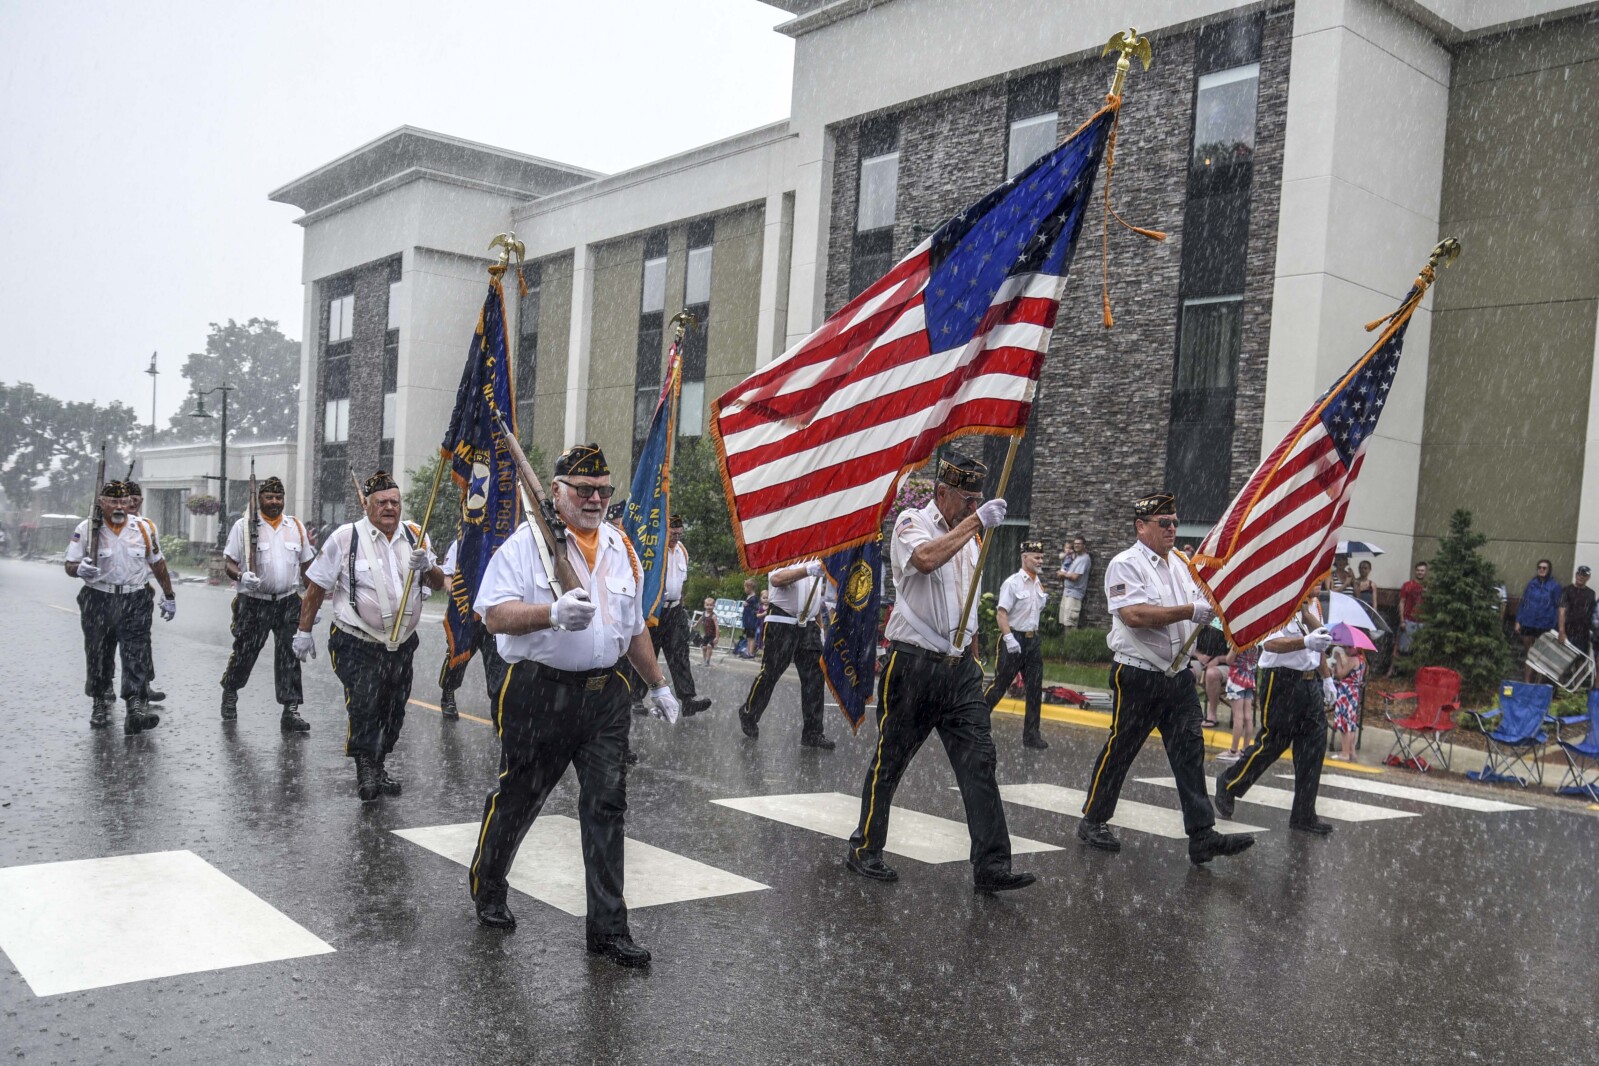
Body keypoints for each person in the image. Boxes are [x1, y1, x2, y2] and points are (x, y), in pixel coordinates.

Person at [466, 444, 679, 968]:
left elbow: (633, 628)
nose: (595, 499)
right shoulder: (526, 545)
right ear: (557, 492)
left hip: (606, 698)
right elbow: (494, 615)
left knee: (607, 806)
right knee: (520, 798)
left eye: (603, 490)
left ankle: (608, 929)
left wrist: (658, 684)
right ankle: (489, 882)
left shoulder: (620, 546)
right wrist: (551, 614)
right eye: (583, 490)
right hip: (541, 692)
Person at [845, 452, 1034, 893]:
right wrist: (977, 522)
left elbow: (966, 606)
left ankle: (991, 866)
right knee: (890, 761)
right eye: (967, 500)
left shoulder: (971, 539)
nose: (974, 507)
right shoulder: (913, 522)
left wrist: (975, 656)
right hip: (913, 666)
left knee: (980, 762)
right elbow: (926, 559)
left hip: (959, 672)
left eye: (978, 500)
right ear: (943, 492)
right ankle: (865, 848)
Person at [1077, 493, 1254, 864]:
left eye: (1175, 522)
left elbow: (1205, 603)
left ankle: (1202, 835)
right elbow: (1134, 615)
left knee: (1190, 751)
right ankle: (1093, 819)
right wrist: (1189, 610)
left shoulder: (1183, 563)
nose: (1172, 528)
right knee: (1121, 749)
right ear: (1141, 526)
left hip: (1176, 676)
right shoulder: (1125, 564)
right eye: (1164, 523)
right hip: (1138, 674)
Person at [293, 471, 445, 802]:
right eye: (382, 502)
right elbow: (316, 587)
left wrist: (428, 566)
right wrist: (304, 631)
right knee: (365, 703)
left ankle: (379, 763)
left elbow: (438, 583)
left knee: (394, 709)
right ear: (367, 505)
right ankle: (366, 767)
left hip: (401, 644)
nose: (390, 508)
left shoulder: (416, 535)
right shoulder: (345, 538)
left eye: (395, 502)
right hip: (356, 642)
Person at [63, 480, 177, 733]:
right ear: (101, 503)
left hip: (134, 598)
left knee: (136, 652)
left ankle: (134, 708)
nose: (119, 506)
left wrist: (169, 595)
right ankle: (99, 702)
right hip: (98, 598)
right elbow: (69, 565)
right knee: (99, 653)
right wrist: (79, 569)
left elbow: (157, 562)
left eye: (123, 502)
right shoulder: (87, 528)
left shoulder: (143, 528)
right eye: (113, 501)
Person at [1215, 601, 1335, 835]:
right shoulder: (1281, 598)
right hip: (1282, 680)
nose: (1320, 585)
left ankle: (1304, 814)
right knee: (1273, 743)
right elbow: (1270, 644)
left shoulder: (1314, 606)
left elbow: (1319, 644)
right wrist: (1305, 642)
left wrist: (1327, 678)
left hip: (1309, 682)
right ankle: (1229, 783)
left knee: (1313, 747)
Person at [218, 476, 316, 731]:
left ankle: (290, 709)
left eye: (279, 497)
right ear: (259, 498)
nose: (274, 502)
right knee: (245, 652)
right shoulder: (243, 526)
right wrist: (241, 575)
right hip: (254, 602)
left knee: (290, 655)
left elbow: (307, 567)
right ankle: (231, 690)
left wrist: (311, 602)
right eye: (269, 497)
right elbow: (229, 563)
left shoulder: (295, 526)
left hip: (288, 601)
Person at [739, 556, 837, 749]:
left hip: (809, 625)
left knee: (814, 679)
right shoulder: (785, 550)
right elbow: (776, 579)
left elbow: (813, 599)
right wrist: (807, 570)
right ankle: (749, 713)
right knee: (771, 673)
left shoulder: (818, 556)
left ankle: (813, 733)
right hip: (782, 621)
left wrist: (821, 628)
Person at [643, 516, 712, 716]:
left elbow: (680, 584)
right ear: (665, 530)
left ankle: (688, 699)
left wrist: (682, 609)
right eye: (673, 533)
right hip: (655, 610)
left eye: (679, 534)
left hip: (675, 610)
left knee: (680, 654)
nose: (676, 537)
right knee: (647, 654)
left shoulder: (682, 550)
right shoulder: (654, 548)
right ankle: (635, 698)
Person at [435, 540, 511, 721]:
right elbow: (448, 576)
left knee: (498, 664)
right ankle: (448, 694)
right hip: (466, 616)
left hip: (493, 615)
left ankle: (497, 707)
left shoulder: (505, 538)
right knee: (457, 659)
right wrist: (459, 598)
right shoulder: (464, 539)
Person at [984, 539, 1050, 749]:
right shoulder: (1012, 583)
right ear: (1024, 557)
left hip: (1032, 641)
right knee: (1000, 684)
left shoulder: (1038, 583)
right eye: (1036, 557)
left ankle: (1031, 735)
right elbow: (1001, 613)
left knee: (1034, 689)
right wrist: (1008, 637)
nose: (1040, 561)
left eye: (1041, 557)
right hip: (1013, 638)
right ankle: (976, 723)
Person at [1515, 559, 1561, 682]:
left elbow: (1558, 607)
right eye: (1539, 567)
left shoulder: (1555, 586)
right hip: (1528, 622)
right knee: (1530, 654)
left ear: (1549, 570)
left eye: (1544, 568)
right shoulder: (1531, 584)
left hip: (1545, 625)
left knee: (1541, 656)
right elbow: (1524, 602)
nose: (1541, 570)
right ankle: (1527, 683)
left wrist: (1555, 626)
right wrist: (1518, 620)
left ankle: (1539, 684)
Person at [1218, 642, 1258, 763]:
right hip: (1249, 680)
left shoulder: (1239, 641)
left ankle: (1233, 751)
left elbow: (1229, 660)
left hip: (1237, 680)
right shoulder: (1255, 643)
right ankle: (1245, 750)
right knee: (1248, 717)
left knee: (1238, 717)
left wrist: (1232, 649)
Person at [1328, 640, 1365, 762]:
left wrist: (1338, 659)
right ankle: (1351, 752)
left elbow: (1340, 674)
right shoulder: (1362, 660)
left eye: (1349, 647)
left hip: (1346, 693)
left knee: (1345, 725)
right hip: (1353, 692)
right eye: (1345, 647)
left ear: (1357, 647)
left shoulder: (1353, 660)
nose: (1347, 650)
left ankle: (1344, 753)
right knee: (1351, 724)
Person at [1390, 561, 1427, 677]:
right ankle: (1394, 671)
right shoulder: (1407, 585)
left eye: (1422, 571)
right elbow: (1402, 602)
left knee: (1418, 650)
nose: (1420, 572)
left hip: (1423, 622)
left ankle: (1413, 674)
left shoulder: (1428, 587)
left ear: (1426, 572)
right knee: (1401, 648)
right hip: (1408, 620)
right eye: (1418, 570)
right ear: (1415, 571)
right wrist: (1402, 619)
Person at [1559, 566, 1595, 686]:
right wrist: (1561, 631)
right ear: (1575, 575)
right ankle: (1560, 689)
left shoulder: (1591, 593)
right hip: (1567, 631)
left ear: (1588, 577)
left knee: (1580, 662)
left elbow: (1591, 613)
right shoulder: (1566, 590)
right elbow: (1561, 611)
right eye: (1579, 574)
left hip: (1583, 633)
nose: (1581, 577)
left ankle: (1577, 691)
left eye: (1584, 575)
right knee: (1562, 660)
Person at [1192, 623, 1229, 728]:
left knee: (1211, 674)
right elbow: (1189, 646)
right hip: (1202, 662)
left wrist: (1218, 659)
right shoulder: (1201, 625)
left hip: (1225, 664)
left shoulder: (1230, 627)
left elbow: (1236, 656)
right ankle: (1187, 709)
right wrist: (1199, 656)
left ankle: (1211, 715)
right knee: (1186, 671)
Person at [1057, 536, 1091, 629]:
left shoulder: (1084, 559)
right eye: (1075, 544)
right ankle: (1066, 639)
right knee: (1065, 622)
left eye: (1079, 544)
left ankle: (1071, 639)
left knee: (1070, 623)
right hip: (1067, 593)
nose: (1076, 545)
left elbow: (1075, 577)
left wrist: (1063, 574)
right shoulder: (1076, 557)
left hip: (1075, 594)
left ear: (1084, 545)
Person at [736, 578, 759, 658]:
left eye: (745, 587)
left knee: (751, 637)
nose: (744, 589)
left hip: (751, 621)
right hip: (747, 620)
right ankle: (748, 651)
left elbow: (756, 608)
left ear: (749, 587)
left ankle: (751, 653)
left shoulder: (754, 598)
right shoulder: (749, 597)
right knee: (748, 637)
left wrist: (748, 605)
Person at [699, 596, 719, 665]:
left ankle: (708, 661)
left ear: (714, 606)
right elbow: (701, 619)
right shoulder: (704, 613)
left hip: (712, 635)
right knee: (704, 647)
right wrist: (696, 625)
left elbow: (717, 627)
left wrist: (717, 637)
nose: (709, 607)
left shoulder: (713, 616)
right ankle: (704, 660)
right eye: (707, 605)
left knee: (709, 646)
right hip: (706, 635)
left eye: (711, 605)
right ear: (704, 606)